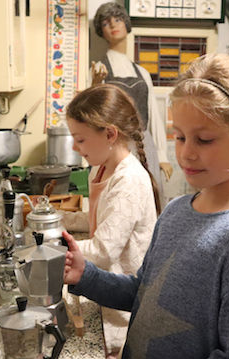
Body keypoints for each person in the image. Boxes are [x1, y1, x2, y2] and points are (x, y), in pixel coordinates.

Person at [62, 53, 229, 359]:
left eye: (204, 140)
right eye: (179, 138)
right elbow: (145, 294)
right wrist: (86, 277)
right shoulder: (179, 210)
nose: (186, 154)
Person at [62, 84, 161, 359]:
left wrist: (51, 247)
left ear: (109, 134)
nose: (73, 146)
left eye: (80, 139)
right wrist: (59, 220)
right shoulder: (102, 165)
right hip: (103, 292)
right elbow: (103, 219)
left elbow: (104, 251)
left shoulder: (128, 180)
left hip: (122, 311)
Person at [91, 2, 173, 208]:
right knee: (123, 201)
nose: (113, 25)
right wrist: (95, 84)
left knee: (151, 200)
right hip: (116, 145)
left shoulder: (142, 72)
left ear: (126, 24)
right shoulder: (99, 69)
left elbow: (153, 115)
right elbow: (92, 114)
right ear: (101, 31)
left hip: (146, 144)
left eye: (118, 20)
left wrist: (162, 155)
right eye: (106, 23)